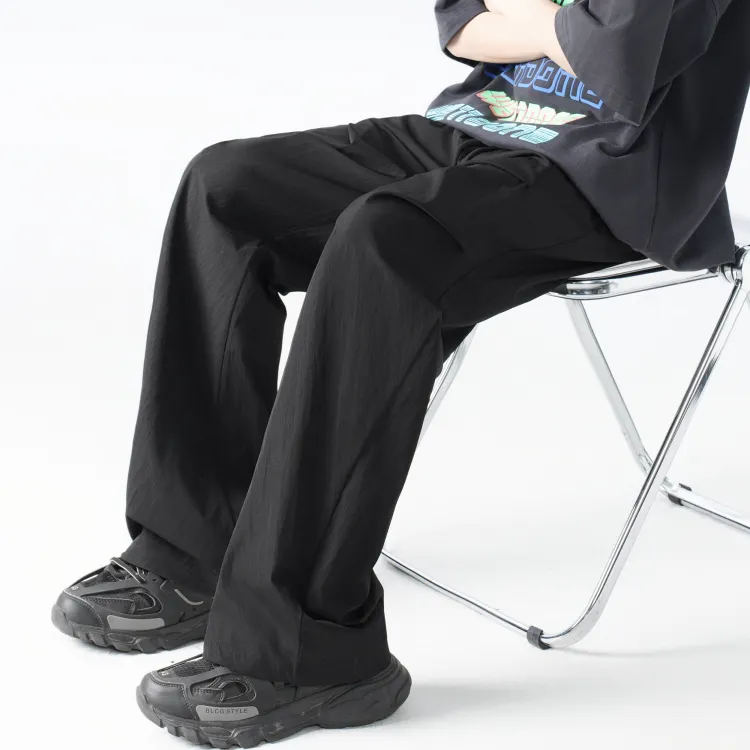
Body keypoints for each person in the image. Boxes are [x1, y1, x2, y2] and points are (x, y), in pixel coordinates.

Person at [52, 0, 748, 746]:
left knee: (383, 241)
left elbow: (619, 59)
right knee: (223, 188)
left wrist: (538, 21)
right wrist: (561, 26)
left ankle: (310, 648)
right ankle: (195, 548)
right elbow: (465, 25)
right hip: (479, 124)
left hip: (614, 176)